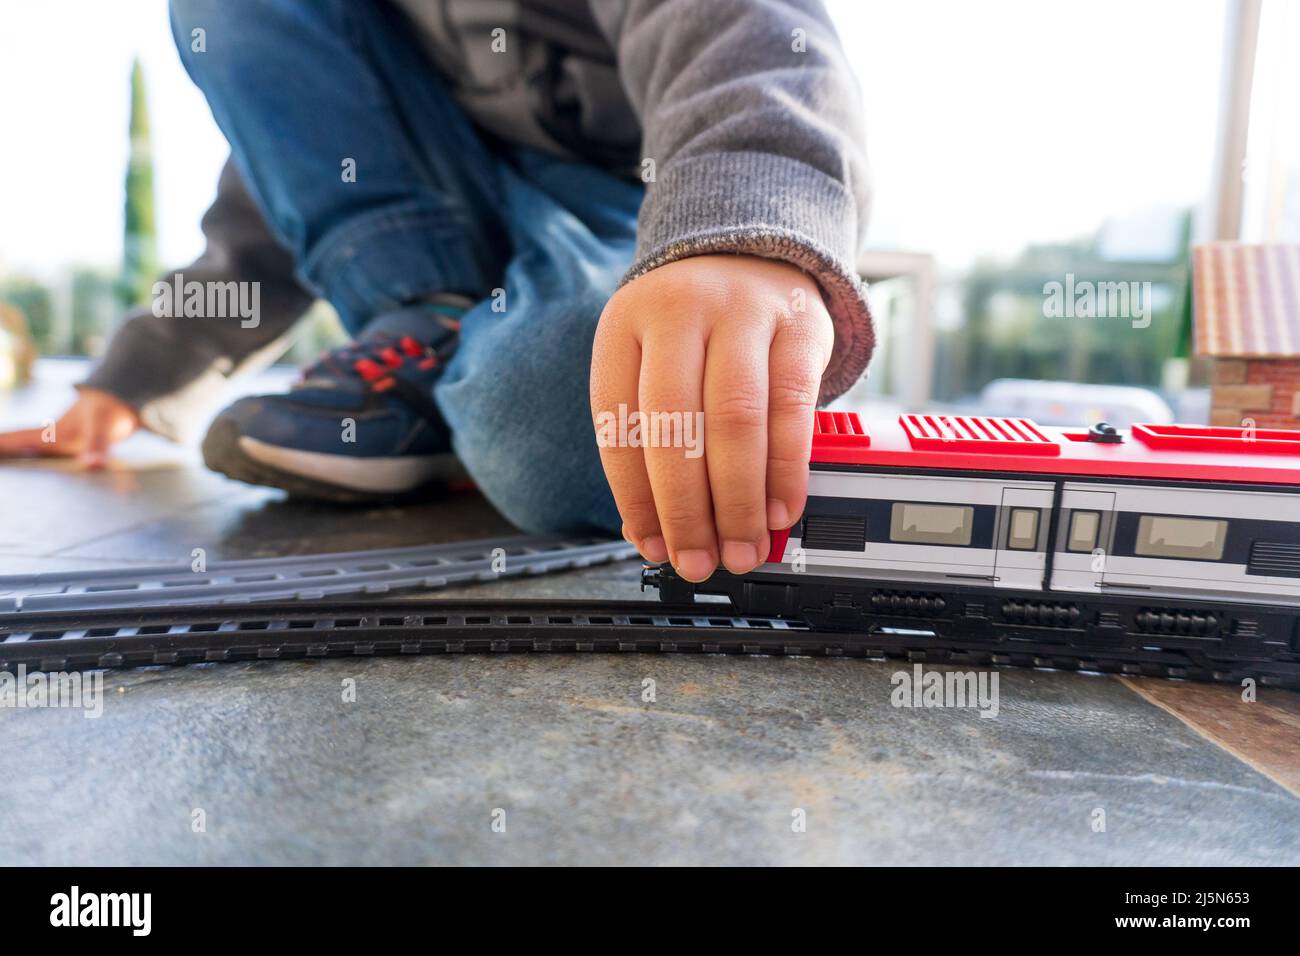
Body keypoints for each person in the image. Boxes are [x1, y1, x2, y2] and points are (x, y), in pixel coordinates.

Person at [0, 0, 873, 586]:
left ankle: (442, 393)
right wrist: (141, 373)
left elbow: (742, 31)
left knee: (551, 425)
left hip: (637, 217)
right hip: (441, 230)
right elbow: (291, 176)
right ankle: (432, 322)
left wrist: (732, 229)